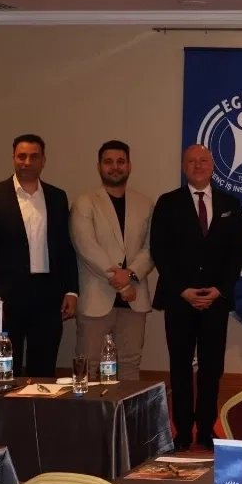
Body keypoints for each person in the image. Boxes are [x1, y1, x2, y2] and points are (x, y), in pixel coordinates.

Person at [151, 144, 242, 450]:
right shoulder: (167, 202)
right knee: (180, 367)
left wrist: (220, 289)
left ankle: (206, 428)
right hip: (180, 300)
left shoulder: (230, 203)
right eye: (191, 161)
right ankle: (182, 431)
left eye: (203, 161)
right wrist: (183, 290)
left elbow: (237, 252)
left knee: (211, 368)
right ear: (184, 167)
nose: (197, 166)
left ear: (213, 166)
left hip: (215, 301)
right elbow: (159, 250)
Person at [0, 135, 78, 377]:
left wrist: (71, 290)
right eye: (21, 156)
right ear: (13, 158)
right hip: (7, 295)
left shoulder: (57, 196)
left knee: (43, 368)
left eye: (34, 157)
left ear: (43, 161)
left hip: (48, 295)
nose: (27, 162)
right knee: (4, 368)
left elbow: (64, 246)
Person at [71, 141, 154, 383]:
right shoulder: (84, 202)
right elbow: (86, 247)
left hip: (134, 300)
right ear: (99, 166)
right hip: (96, 297)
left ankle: (126, 409)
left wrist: (131, 274)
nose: (115, 167)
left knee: (130, 364)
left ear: (129, 166)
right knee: (88, 365)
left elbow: (151, 248)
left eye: (120, 162)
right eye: (108, 162)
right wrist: (121, 283)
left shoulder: (146, 203)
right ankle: (87, 410)